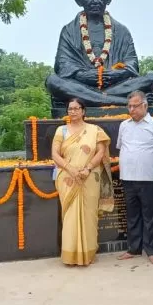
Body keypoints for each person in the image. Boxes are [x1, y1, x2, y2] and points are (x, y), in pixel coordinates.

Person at [44, 0, 153, 106]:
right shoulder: (69, 30)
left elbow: (132, 63)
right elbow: (62, 64)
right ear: (79, 1)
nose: (95, 1)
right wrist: (82, 75)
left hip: (115, 84)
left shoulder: (122, 30)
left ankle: (90, 98)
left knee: (151, 77)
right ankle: (124, 101)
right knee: (52, 81)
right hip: (82, 84)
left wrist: (117, 74)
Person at [50, 98, 112, 266]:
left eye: (77, 108)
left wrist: (88, 169)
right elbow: (55, 154)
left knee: (89, 215)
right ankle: (70, 256)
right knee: (70, 217)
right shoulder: (61, 130)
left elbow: (101, 152)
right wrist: (70, 169)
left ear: (83, 111)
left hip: (89, 177)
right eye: (70, 109)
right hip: (68, 178)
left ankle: (88, 254)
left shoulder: (95, 130)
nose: (73, 112)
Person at [116, 91, 153, 265]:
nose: (132, 109)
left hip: (149, 178)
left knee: (150, 215)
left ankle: (152, 250)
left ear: (145, 105)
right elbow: (121, 146)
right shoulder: (124, 125)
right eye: (129, 106)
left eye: (135, 106)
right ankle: (134, 248)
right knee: (132, 215)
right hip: (128, 177)